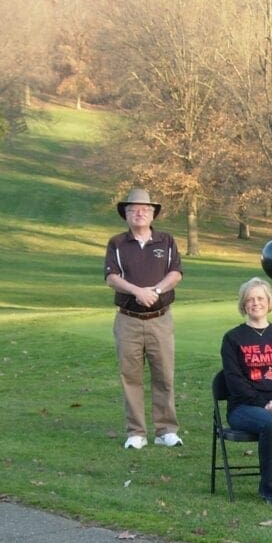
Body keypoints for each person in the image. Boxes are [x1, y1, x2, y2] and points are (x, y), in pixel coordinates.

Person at [104, 188, 183, 450]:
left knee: (164, 375)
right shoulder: (117, 243)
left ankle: (166, 430)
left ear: (152, 213)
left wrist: (156, 291)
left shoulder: (166, 241)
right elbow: (111, 278)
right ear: (125, 214)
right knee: (131, 377)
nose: (139, 213)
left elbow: (176, 274)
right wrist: (137, 291)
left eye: (144, 209)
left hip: (160, 317)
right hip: (128, 319)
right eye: (133, 209)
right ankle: (136, 432)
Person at [220, 278, 272, 504]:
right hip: (244, 407)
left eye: (260, 298)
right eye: (250, 299)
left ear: (269, 302)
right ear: (243, 304)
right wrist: (264, 404)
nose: (255, 303)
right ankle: (269, 490)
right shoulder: (232, 338)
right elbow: (234, 380)